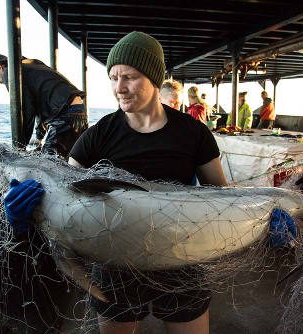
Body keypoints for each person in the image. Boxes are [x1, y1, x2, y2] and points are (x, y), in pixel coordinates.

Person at [67, 31, 227, 334]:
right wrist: (33, 196)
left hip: (181, 260)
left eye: (129, 77)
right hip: (115, 262)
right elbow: (65, 187)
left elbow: (221, 197)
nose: (119, 88)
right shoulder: (99, 135)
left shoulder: (194, 133)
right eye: (113, 78)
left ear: (154, 79)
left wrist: (264, 216)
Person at [0, 54, 87, 158]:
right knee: (69, 159)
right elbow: (38, 106)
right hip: (77, 110)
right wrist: (40, 137)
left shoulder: (11, 73)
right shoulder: (31, 64)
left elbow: (26, 110)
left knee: (49, 160)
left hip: (65, 112)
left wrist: (19, 147)